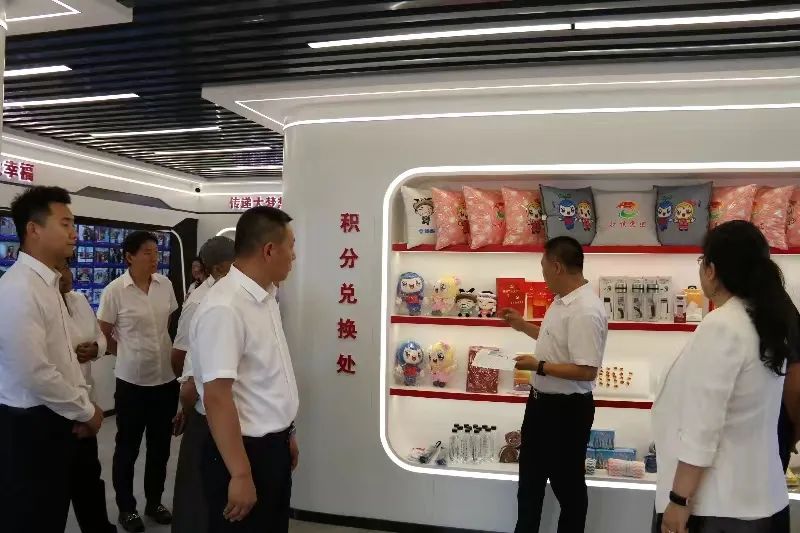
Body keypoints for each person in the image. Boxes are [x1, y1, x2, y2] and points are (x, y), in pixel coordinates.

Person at [653, 220, 797, 533]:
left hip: (716, 506)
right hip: (762, 500)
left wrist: (678, 499)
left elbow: (703, 425)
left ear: (711, 270)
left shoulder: (722, 325)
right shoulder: (766, 321)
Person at [0, 186, 104, 533]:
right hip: (30, 425)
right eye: (65, 224)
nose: (75, 233)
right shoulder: (20, 288)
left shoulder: (48, 285)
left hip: (55, 418)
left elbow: (64, 359)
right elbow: (35, 372)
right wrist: (85, 410)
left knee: (50, 511)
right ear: (34, 229)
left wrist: (79, 406)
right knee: (32, 516)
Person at [190, 206, 299, 533]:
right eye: (291, 246)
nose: (294, 256)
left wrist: (287, 432)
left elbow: (268, 378)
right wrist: (240, 473)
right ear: (269, 250)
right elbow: (217, 396)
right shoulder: (225, 307)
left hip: (272, 446)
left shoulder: (265, 297)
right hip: (242, 452)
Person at [501, 236, 608, 533]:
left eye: (544, 266)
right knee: (529, 487)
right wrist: (522, 326)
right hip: (540, 406)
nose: (543, 273)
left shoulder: (585, 310)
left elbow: (586, 371)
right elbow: (556, 344)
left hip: (566, 413)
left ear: (557, 267)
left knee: (568, 490)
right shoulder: (562, 301)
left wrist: (539, 367)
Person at [98, 230, 179, 533]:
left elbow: (167, 325)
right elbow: (103, 333)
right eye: (147, 253)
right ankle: (126, 508)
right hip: (131, 383)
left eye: (156, 253)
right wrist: (127, 353)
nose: (154, 258)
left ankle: (154, 502)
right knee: (128, 448)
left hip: (165, 380)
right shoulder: (114, 291)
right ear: (129, 257)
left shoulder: (165, 285)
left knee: (160, 447)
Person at [171, 236, 235, 533]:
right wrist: (186, 404)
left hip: (224, 410)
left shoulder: (238, 296)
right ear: (220, 268)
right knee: (201, 498)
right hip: (205, 409)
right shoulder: (201, 302)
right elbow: (181, 357)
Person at [57, 258, 118, 533]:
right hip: (57, 414)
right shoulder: (37, 305)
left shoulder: (79, 300)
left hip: (85, 408)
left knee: (89, 483)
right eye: (58, 268)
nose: (65, 274)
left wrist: (96, 348)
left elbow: (100, 336)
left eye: (66, 266)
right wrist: (84, 413)